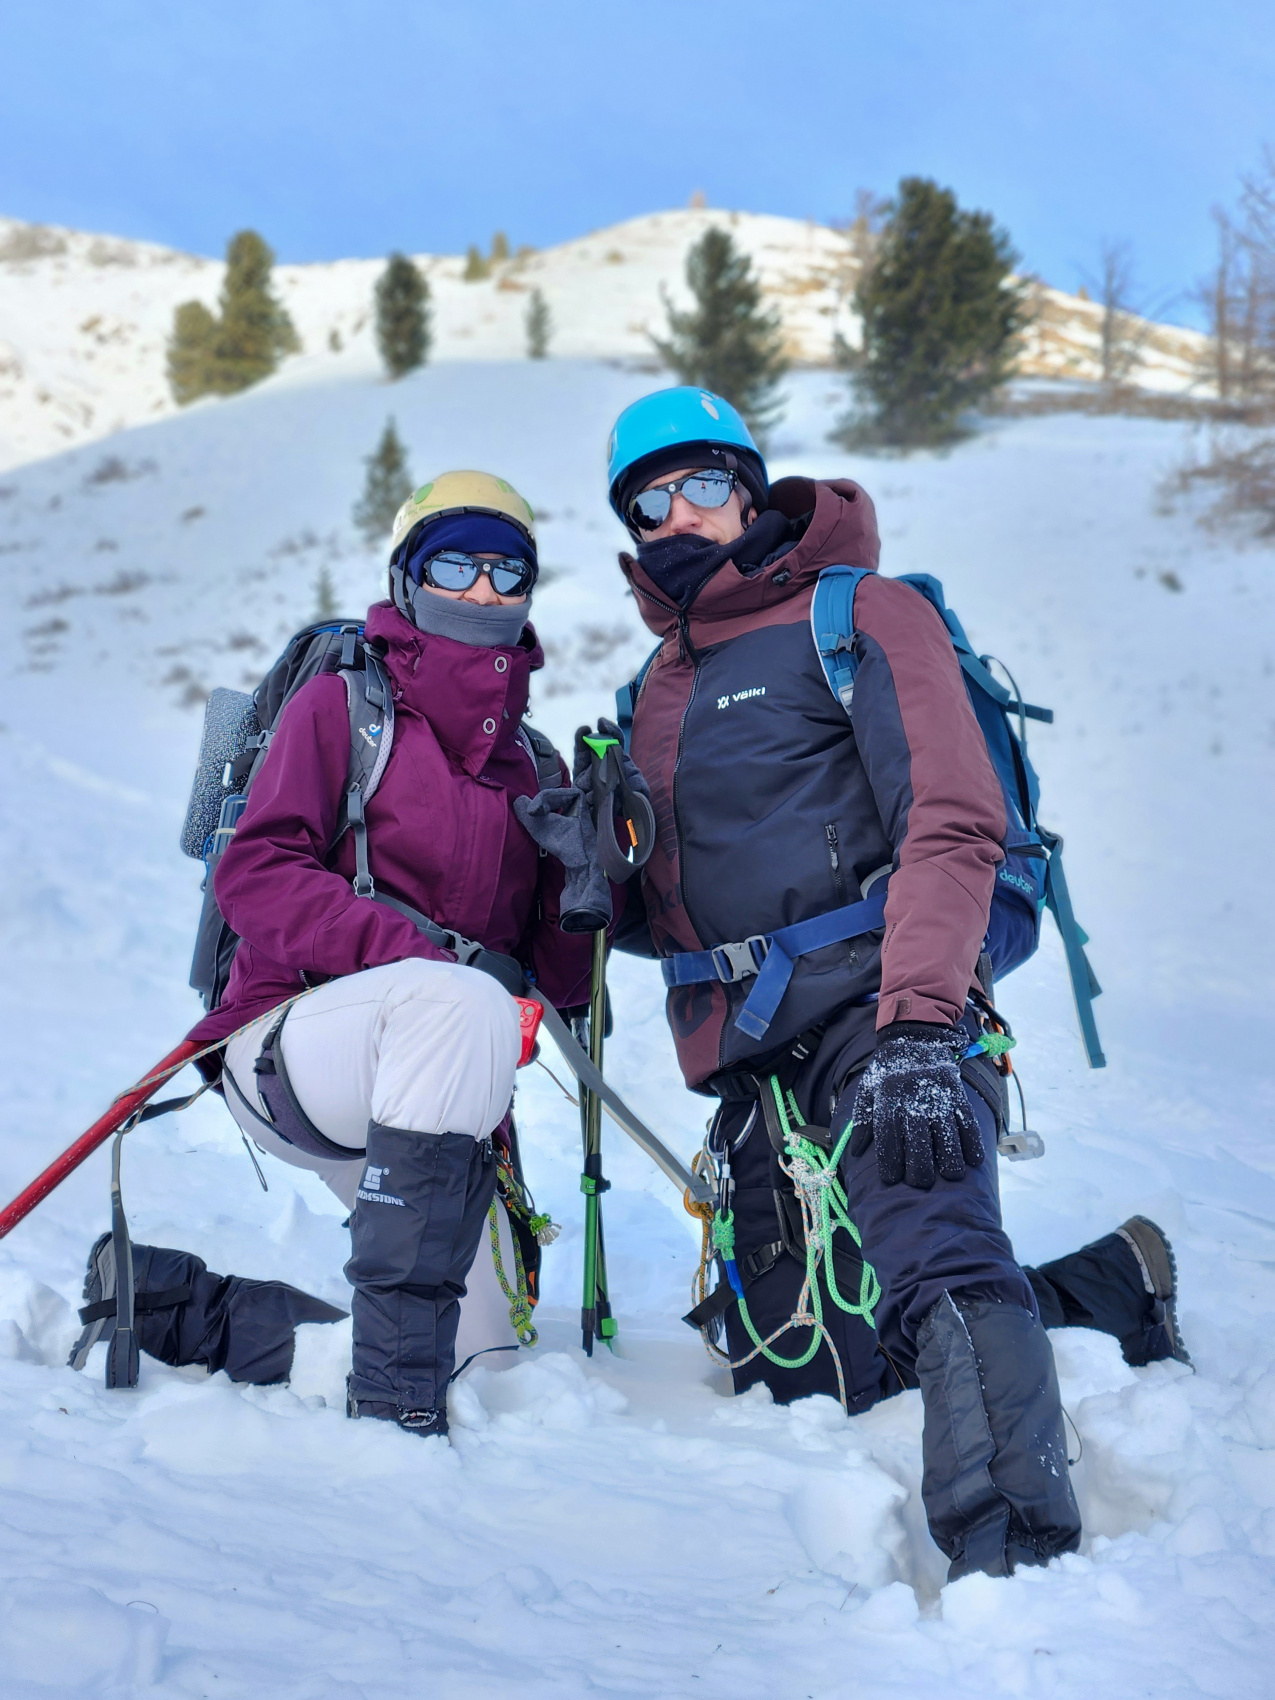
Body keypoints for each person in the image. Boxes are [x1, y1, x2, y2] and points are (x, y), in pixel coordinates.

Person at [604, 387, 1189, 1580]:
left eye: (703, 484)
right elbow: (677, 909)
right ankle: (1112, 1283)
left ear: (750, 487)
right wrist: (586, 880)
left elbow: (956, 821)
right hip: (758, 1062)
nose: (680, 517)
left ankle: (1017, 1562)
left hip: (890, 1007)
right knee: (812, 1365)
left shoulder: (858, 613)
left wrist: (925, 1026)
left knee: (931, 1237)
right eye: (649, 501)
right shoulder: (657, 690)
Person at [69, 472, 597, 1438]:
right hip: (293, 1044)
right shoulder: (341, 712)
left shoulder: (535, 765)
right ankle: (396, 1409)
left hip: (437, 1093)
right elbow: (257, 876)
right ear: (406, 577)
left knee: (481, 1358)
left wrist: (579, 885)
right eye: (454, 562)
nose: (481, 590)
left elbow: (555, 997)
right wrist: (427, 954)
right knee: (458, 1002)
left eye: (505, 570)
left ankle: (176, 1306)